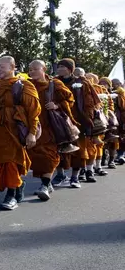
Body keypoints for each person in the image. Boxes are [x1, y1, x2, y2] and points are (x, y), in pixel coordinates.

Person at [0, 56, 40, 210]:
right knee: (4, 161)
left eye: (3, 67)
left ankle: (10, 196)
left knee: (11, 160)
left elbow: (33, 112)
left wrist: (32, 133)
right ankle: (18, 184)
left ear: (13, 67)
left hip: (15, 129)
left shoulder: (24, 85)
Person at [27, 60, 77, 201]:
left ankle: (44, 185)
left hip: (50, 125)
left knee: (49, 155)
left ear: (44, 69)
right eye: (30, 70)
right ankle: (47, 183)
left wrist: (57, 105)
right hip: (34, 125)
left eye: (35, 69)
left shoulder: (55, 84)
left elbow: (70, 100)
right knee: (36, 156)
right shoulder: (27, 85)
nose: (32, 72)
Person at [51, 59, 100, 188]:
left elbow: (90, 103)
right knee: (59, 148)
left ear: (69, 69)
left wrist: (87, 120)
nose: (60, 68)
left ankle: (75, 177)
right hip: (59, 120)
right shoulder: (54, 82)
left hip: (78, 121)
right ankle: (60, 174)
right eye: (59, 66)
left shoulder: (82, 82)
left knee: (79, 150)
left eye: (63, 66)